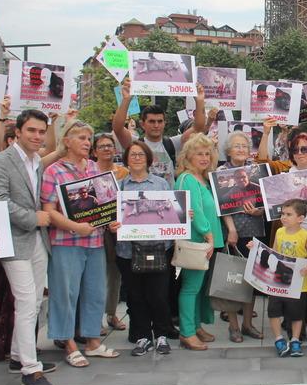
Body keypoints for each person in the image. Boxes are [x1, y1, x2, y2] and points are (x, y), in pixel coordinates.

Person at [41, 120, 122, 368]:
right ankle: (68, 343)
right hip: (66, 241)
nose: (87, 143)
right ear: (67, 141)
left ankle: (93, 341)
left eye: (88, 138)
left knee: (96, 291)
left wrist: (112, 221)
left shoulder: (95, 168)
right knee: (65, 294)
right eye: (81, 138)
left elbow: (107, 204)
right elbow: (48, 210)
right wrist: (75, 226)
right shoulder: (54, 171)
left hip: (95, 240)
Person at [0, 110, 57, 385]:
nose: (37, 136)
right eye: (31, 130)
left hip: (38, 240)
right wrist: (33, 218)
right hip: (15, 241)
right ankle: (30, 369)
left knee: (35, 301)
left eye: (41, 131)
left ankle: (18, 356)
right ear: (18, 132)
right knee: (27, 302)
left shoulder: (37, 161)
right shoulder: (1, 161)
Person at [257, 120, 307, 344]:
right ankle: (294, 331)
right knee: (293, 288)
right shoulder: (286, 173)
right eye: (296, 150)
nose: (300, 153)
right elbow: (262, 163)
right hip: (291, 238)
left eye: (305, 149)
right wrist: (266, 132)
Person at [117, 141, 176, 356]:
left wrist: (182, 214)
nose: (137, 158)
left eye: (141, 154)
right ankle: (142, 337)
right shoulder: (120, 186)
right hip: (128, 251)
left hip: (159, 248)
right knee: (136, 296)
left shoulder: (161, 184)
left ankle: (161, 335)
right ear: (126, 159)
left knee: (158, 295)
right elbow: (114, 214)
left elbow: (172, 210)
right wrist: (114, 224)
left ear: (148, 159)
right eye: (132, 154)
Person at [112, 77, 206, 187]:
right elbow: (118, 128)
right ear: (142, 124)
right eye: (152, 121)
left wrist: (199, 101)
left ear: (165, 123)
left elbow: (198, 127)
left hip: (168, 195)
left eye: (160, 121)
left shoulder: (173, 144)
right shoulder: (135, 144)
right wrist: (126, 99)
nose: (156, 125)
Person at [175, 134, 222, 351]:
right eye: (199, 154)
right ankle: (187, 332)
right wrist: (208, 235)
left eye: (207, 154)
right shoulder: (187, 178)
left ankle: (195, 326)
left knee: (199, 287)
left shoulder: (202, 178)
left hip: (205, 241)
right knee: (191, 288)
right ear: (188, 156)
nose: (204, 158)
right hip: (197, 241)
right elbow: (194, 210)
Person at [219, 132, 265, 343]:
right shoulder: (221, 172)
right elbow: (222, 205)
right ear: (228, 150)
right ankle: (233, 327)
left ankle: (247, 324)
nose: (240, 149)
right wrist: (231, 230)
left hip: (255, 230)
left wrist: (259, 211)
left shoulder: (255, 170)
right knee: (233, 280)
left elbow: (265, 201)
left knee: (251, 280)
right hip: (233, 233)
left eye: (244, 146)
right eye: (236, 146)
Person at [261, 199, 307, 358]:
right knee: (274, 310)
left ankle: (295, 340)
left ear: (300, 218)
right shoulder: (279, 232)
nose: (284, 217)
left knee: (296, 313)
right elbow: (274, 251)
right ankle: (279, 339)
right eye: (282, 214)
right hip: (278, 279)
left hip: (298, 283)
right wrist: (256, 249)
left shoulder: (306, 235)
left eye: (289, 214)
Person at [91, 133, 129, 334]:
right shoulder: (89, 171)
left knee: (115, 273)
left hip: (118, 228)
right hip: (95, 228)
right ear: (94, 151)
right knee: (96, 274)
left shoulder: (123, 172)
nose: (106, 149)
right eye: (102, 146)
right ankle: (94, 319)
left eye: (110, 145)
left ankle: (111, 313)